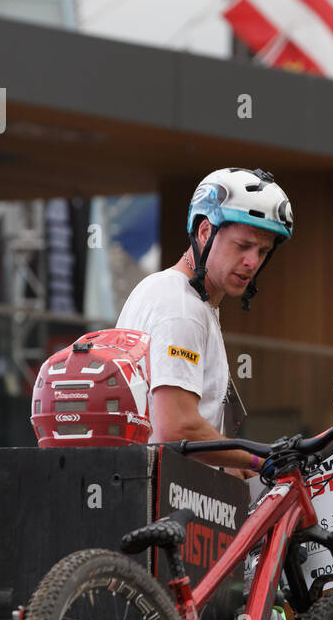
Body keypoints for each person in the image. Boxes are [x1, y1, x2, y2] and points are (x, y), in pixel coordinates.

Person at [117, 167, 293, 479]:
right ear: (204, 232)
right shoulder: (181, 307)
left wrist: (240, 469)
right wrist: (259, 462)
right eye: (242, 246)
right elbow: (176, 427)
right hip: (165, 504)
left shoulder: (171, 292)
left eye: (263, 251)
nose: (253, 261)